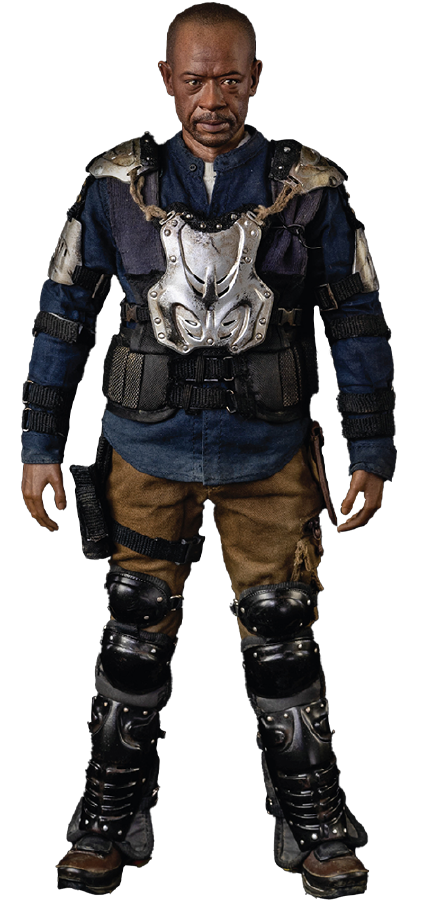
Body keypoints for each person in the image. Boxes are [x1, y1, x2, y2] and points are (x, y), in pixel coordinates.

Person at [21, 3, 395, 896]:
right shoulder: (116, 183)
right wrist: (39, 443)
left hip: (270, 455)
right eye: (195, 80)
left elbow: (355, 317)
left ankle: (312, 821)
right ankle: (110, 815)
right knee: (133, 636)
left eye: (229, 79)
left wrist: (372, 449)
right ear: (167, 81)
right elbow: (65, 312)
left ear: (256, 79)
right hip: (144, 451)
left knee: (283, 637)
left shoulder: (310, 184)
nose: (212, 99)